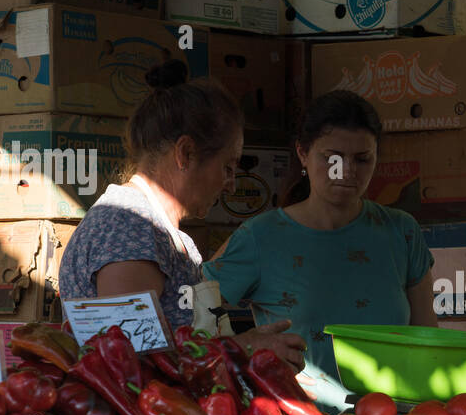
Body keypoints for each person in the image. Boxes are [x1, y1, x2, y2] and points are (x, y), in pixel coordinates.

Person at [59, 60, 305, 367]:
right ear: (185, 153)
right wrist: (243, 348)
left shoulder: (159, 229)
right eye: (227, 167)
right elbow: (128, 362)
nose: (230, 185)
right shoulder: (128, 226)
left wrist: (244, 349)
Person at [203, 90, 436, 412]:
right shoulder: (260, 237)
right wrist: (242, 346)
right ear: (302, 153)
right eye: (332, 157)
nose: (346, 171)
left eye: (362, 159)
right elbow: (189, 314)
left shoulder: (402, 232)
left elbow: (428, 342)